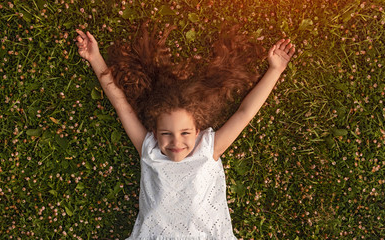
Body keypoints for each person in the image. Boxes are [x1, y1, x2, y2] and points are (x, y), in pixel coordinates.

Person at [75, 21, 295, 239]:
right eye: (166, 134)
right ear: (154, 131)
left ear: (198, 129)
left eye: (185, 133)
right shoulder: (149, 149)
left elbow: (244, 113)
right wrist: (96, 59)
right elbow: (122, 106)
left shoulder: (208, 149)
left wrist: (276, 69)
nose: (176, 142)